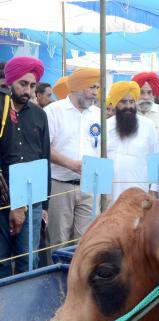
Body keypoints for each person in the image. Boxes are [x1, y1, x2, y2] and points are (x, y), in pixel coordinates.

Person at [0, 56, 50, 277]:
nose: (27, 90)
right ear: (10, 81)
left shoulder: (39, 115)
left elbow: (44, 157)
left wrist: (45, 205)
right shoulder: (1, 108)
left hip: (32, 197)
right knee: (1, 261)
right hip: (2, 195)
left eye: (32, 85)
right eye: (22, 84)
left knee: (28, 261)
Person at [44, 67, 100, 247]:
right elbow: (44, 147)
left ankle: (78, 276)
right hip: (61, 185)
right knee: (58, 240)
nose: (95, 93)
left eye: (98, 88)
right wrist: (70, 164)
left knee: (86, 241)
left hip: (90, 187)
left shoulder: (98, 114)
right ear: (77, 87)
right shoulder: (53, 111)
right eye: (92, 87)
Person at [107, 81, 159, 204]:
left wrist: (153, 190)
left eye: (131, 102)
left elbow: (155, 160)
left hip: (140, 192)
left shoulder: (148, 125)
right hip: (111, 194)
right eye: (123, 102)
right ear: (115, 104)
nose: (128, 106)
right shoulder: (105, 127)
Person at [132, 72, 159, 154]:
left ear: (154, 94)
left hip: (158, 164)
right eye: (142, 92)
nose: (146, 97)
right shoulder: (127, 113)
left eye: (149, 92)